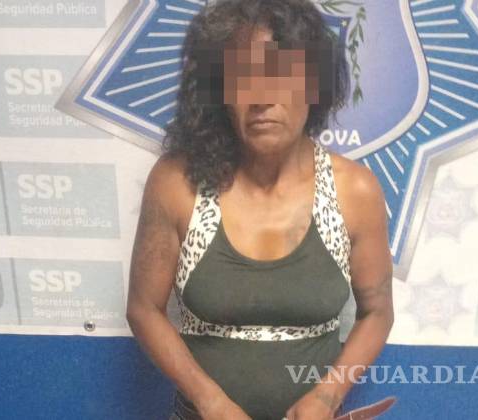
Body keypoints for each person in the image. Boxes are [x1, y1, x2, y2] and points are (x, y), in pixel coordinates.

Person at [126, 0, 394, 419]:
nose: (262, 97)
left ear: (313, 85)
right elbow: (143, 309)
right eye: (242, 77)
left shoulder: (354, 191)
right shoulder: (178, 183)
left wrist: (326, 397)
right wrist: (210, 401)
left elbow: (377, 313)